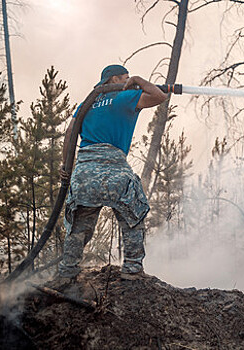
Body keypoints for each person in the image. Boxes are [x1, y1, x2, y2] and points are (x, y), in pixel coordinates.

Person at [58, 64, 167, 280]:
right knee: (132, 216)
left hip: (84, 172)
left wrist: (66, 167)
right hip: (115, 170)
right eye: (125, 78)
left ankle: (67, 272)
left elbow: (70, 133)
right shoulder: (124, 98)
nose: (128, 82)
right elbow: (159, 96)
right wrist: (139, 80)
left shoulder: (86, 104)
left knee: (79, 226)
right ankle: (133, 269)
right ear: (114, 79)